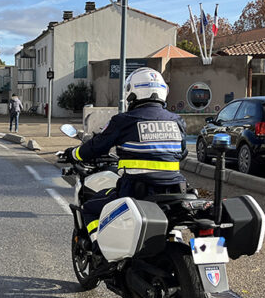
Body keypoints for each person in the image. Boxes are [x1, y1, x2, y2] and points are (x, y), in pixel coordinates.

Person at [62, 68, 187, 244]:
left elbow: (96, 146)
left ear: (132, 93)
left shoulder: (124, 120)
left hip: (136, 190)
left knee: (89, 208)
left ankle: (99, 248)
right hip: (175, 190)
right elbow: (182, 154)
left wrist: (74, 154)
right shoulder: (177, 120)